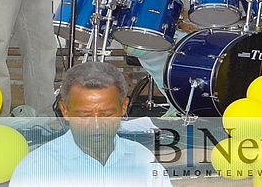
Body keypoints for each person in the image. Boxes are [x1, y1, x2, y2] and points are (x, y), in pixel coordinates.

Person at [9, 62, 172, 186]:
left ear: (123, 108)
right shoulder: (37, 169)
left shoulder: (142, 160)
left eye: (106, 114)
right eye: (85, 115)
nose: (96, 125)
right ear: (65, 111)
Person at [124, 0, 196, 117]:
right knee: (181, 54)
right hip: (142, 40)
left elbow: (172, 15)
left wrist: (188, 21)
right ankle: (177, 105)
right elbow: (152, 19)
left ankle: (184, 102)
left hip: (158, 38)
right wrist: (181, 23)